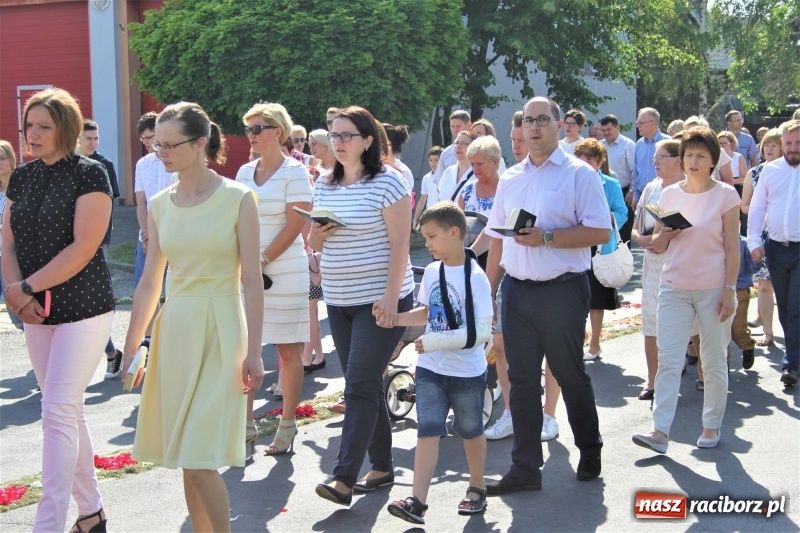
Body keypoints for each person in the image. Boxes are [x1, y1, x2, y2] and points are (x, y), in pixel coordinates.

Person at [123, 102, 265, 532]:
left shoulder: (238, 198)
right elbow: (150, 282)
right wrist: (132, 346)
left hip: (222, 326)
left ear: (200, 143)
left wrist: (255, 352)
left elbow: (253, 281)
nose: (159, 152)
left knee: (200, 458)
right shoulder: (161, 205)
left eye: (169, 144)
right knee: (186, 458)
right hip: (176, 330)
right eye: (154, 144)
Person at [484, 97, 612, 492]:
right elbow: (496, 241)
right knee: (521, 382)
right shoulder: (511, 178)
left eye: (543, 120)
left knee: (570, 374)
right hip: (518, 292)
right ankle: (525, 467)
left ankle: (590, 448)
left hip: (562, 291)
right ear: (520, 130)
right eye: (528, 121)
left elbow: (600, 232)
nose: (534, 127)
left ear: (559, 125)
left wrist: (549, 237)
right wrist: (487, 292)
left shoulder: (579, 175)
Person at [1, 88, 115, 533]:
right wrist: (16, 292)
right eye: (29, 125)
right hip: (34, 311)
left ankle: (47, 524)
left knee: (56, 413)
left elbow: (85, 246)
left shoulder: (91, 175)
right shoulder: (23, 178)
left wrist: (26, 287)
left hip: (83, 308)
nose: (33, 134)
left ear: (65, 129)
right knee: (65, 411)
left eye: (44, 126)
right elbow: (6, 240)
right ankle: (91, 513)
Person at [311, 106, 414, 506]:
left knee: (356, 384)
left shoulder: (389, 182)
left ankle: (343, 477)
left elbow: (401, 243)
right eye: (333, 136)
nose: (337, 143)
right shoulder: (324, 182)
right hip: (337, 297)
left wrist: (390, 299)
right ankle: (383, 466)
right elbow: (314, 244)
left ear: (368, 140)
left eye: (346, 135)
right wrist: (318, 236)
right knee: (366, 383)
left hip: (378, 299)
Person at [632, 127, 740, 454]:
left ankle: (711, 425)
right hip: (674, 286)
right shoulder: (669, 195)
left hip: (713, 287)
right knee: (668, 359)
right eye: (688, 155)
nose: (692, 161)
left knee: (713, 359)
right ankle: (660, 432)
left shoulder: (725, 195)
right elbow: (658, 245)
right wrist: (665, 235)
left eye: (700, 155)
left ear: (712, 161)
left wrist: (730, 289)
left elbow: (733, 247)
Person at [384, 201, 492, 524]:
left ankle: (476, 486)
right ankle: (417, 501)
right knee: (427, 430)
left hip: (467, 372)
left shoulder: (477, 279)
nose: (427, 244)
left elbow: (480, 332)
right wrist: (397, 319)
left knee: (470, 430)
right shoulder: (432, 272)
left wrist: (433, 341)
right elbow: (427, 311)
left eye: (432, 237)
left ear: (455, 233)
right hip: (431, 369)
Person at [236, 103, 313, 456]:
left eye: (257, 128)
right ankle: (246, 424)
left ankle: (286, 425)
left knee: (287, 351)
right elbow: (234, 220)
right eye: (248, 129)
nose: (250, 135)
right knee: (246, 349)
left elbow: (296, 224)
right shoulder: (242, 172)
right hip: (250, 270)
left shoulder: (295, 172)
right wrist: (245, 262)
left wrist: (263, 259)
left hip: (284, 269)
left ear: (277, 132)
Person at [747, 120, 800, 386]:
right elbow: (757, 208)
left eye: (798, 143)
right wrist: (754, 242)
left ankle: (791, 363)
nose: (793, 149)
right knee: (786, 308)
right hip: (776, 248)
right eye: (788, 143)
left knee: (795, 307)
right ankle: (795, 354)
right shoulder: (770, 171)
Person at [630, 139, 683, 400]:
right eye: (655, 158)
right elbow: (636, 228)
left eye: (662, 157)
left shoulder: (689, 188)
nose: (656, 162)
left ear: (678, 160)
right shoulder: (651, 187)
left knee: (690, 323)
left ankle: (701, 373)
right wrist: (645, 240)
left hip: (683, 261)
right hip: (653, 263)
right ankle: (652, 380)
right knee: (651, 321)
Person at [123, 111, 173, 381]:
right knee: (145, 285)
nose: (149, 144)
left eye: (152, 138)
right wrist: (145, 231)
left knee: (172, 286)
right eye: (144, 140)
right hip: (149, 233)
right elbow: (141, 202)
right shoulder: (143, 164)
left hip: (172, 231)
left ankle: (171, 340)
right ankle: (150, 339)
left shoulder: (172, 160)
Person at [76, 119, 123, 377]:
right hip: (67, 242)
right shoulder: (66, 164)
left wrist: (97, 240)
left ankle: (110, 353)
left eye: (96, 138)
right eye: (88, 138)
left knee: (89, 300)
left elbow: (107, 207)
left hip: (96, 243)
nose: (93, 143)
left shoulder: (105, 165)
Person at [573, 139, 627, 361]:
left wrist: (603, 218)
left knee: (596, 300)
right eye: (580, 159)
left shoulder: (610, 184)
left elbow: (622, 213)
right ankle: (577, 340)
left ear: (599, 162)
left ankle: (595, 343)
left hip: (600, 249)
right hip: (575, 247)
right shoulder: (570, 182)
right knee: (574, 298)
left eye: (588, 159)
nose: (583, 164)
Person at [741, 128, 782, 347]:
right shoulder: (754, 173)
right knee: (764, 286)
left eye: (774, 145)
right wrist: (760, 211)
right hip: (761, 236)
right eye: (766, 145)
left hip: (786, 236)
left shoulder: (790, 172)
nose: (769, 149)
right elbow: (744, 205)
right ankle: (768, 331)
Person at [304, 129, 336, 373]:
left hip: (331, 250)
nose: (311, 147)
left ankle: (310, 357)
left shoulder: (334, 173)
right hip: (314, 245)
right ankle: (314, 355)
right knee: (310, 305)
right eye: (308, 143)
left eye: (316, 143)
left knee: (311, 305)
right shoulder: (320, 176)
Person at [600, 114, 636, 243]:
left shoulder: (628, 145)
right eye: (603, 130)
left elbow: (634, 171)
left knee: (624, 231)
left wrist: (632, 191)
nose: (606, 133)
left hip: (624, 191)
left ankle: (624, 260)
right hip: (604, 190)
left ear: (617, 128)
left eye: (608, 130)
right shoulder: (600, 145)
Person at [0, 140, 23, 330]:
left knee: (19, 316)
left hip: (13, 255)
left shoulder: (22, 188)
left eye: (1, 158)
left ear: (12, 160)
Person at [732, 235, 761, 369]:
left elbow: (752, 268)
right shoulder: (713, 239)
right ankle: (723, 364)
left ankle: (748, 345)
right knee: (720, 331)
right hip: (717, 289)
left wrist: (756, 260)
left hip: (740, 290)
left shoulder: (744, 243)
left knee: (737, 328)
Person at [632, 107, 669, 209]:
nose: (637, 126)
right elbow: (635, 172)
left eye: (641, 123)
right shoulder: (639, 144)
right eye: (637, 123)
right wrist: (635, 196)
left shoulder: (668, 143)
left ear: (652, 123)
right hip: (642, 197)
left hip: (662, 195)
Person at [432, 110, 472, 186]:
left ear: (469, 125)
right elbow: (439, 182)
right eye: (452, 126)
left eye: (458, 126)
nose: (455, 130)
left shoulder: (478, 150)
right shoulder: (446, 153)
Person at [437, 130, 476, 203]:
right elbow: (439, 199)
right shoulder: (448, 171)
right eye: (457, 143)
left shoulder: (478, 173)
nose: (458, 146)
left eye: (463, 143)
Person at [412, 146, 442, 228]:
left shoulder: (447, 176)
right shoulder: (426, 178)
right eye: (431, 160)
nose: (433, 163)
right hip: (430, 215)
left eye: (436, 160)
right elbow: (422, 199)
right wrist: (415, 218)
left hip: (443, 215)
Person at [718, 131, 748, 195]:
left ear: (731, 144)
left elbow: (745, 177)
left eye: (724, 143)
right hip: (718, 188)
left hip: (735, 188)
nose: (721, 146)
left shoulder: (738, 157)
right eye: (720, 143)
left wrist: (731, 181)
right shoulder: (715, 157)